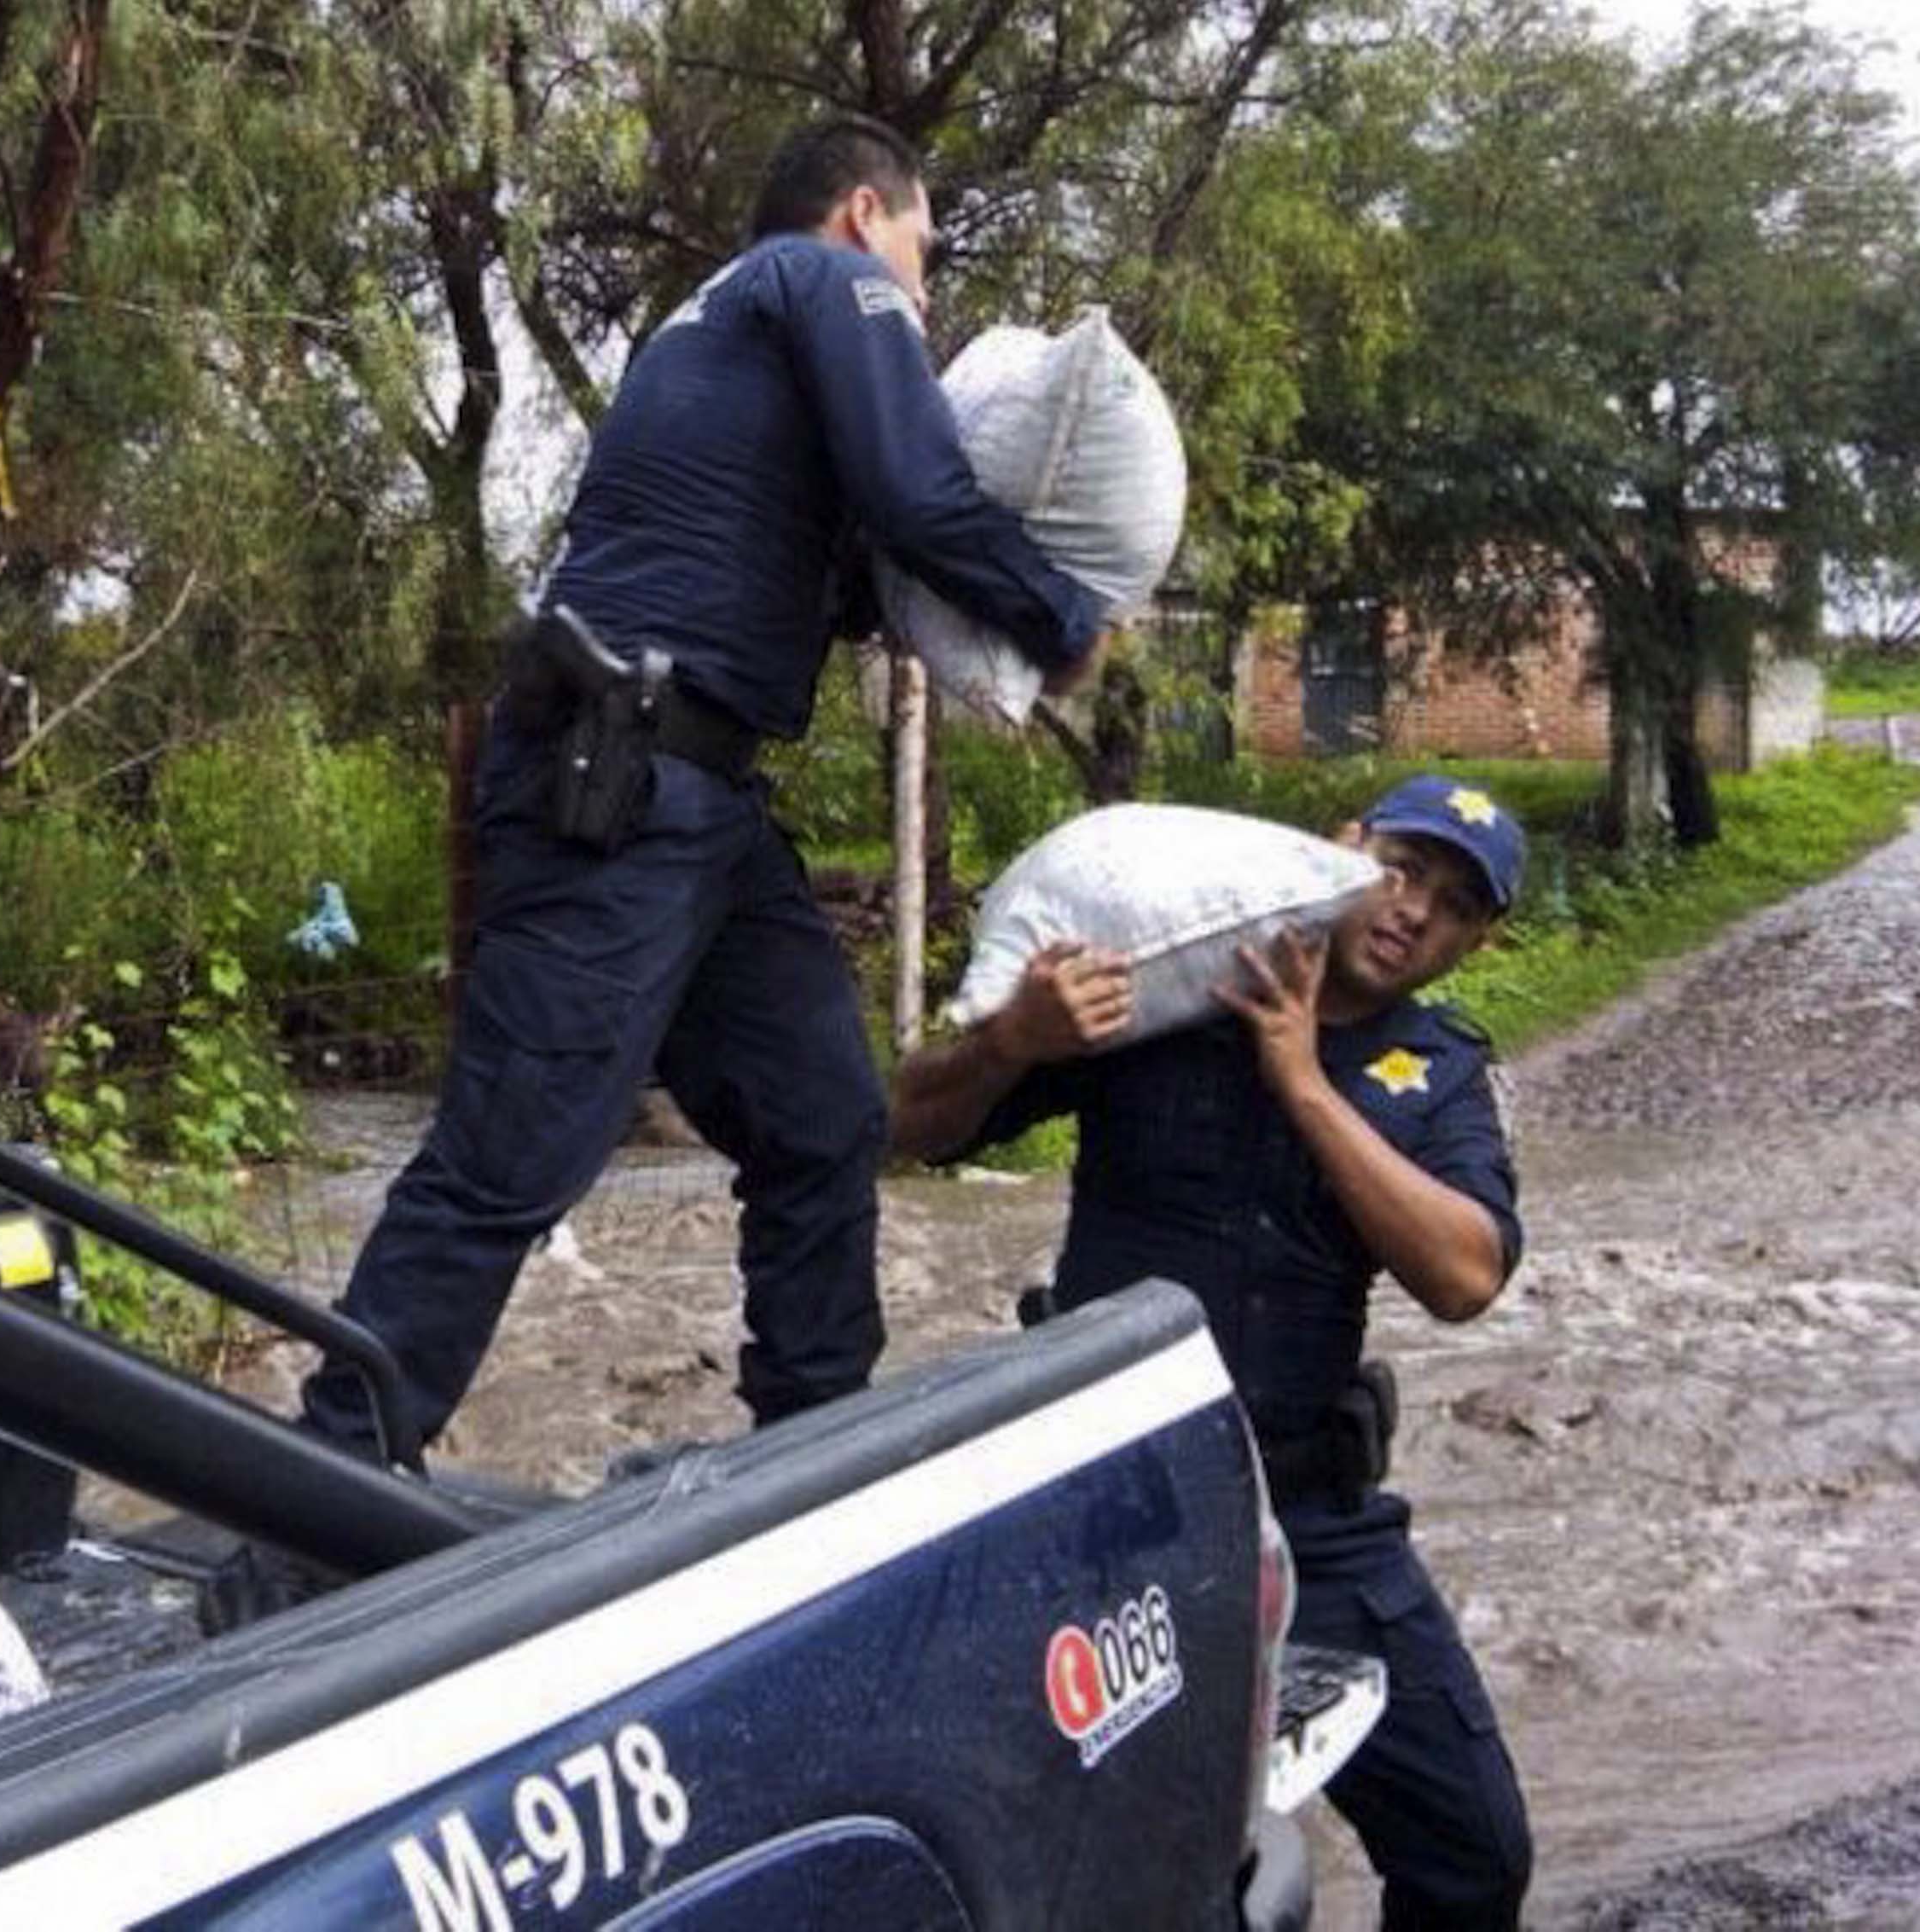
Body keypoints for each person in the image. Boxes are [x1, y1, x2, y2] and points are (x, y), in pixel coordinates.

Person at [294, 117, 1106, 1462]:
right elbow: (919, 492)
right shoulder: (824, 282)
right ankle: (320, 1488)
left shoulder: (723, 334)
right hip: (619, 787)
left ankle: (805, 1459)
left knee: (824, 1119)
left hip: (699, 799)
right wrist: (1060, 621)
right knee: (512, 1155)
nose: (924, 290)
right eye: (925, 249)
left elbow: (849, 566)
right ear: (863, 211)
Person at [888, 774, 1536, 1930]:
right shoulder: (1170, 989)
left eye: (1449, 903)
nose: (1408, 910)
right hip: (1107, 1521)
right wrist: (1011, 1039)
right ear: (1342, 849)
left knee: (1476, 1848)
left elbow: (1466, 1273)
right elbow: (903, 1125)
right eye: (1398, 868)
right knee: (1088, 1865)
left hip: (1314, 1519)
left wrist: (1300, 1083)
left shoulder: (1434, 1071)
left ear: (1474, 939)